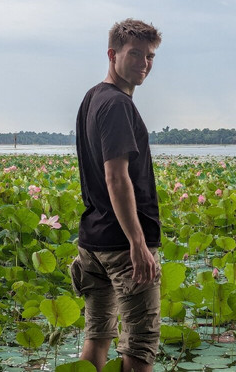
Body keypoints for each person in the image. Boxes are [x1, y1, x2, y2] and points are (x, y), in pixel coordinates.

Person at [72, 19, 162, 372]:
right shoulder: (117, 104)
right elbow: (116, 177)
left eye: (150, 56)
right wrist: (137, 243)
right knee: (140, 348)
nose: (144, 63)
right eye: (135, 54)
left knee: (97, 337)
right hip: (123, 247)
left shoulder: (93, 98)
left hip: (93, 244)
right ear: (113, 55)